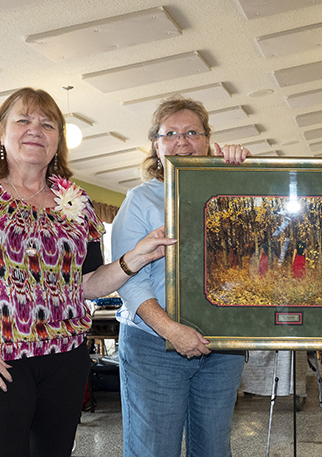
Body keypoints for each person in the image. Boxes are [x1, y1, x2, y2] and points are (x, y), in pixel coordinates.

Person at [0, 88, 173, 457]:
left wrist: (135, 258)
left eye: (47, 124)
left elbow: (87, 284)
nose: (35, 129)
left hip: (65, 361)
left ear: (58, 141)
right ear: (1, 132)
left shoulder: (78, 202)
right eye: (23, 120)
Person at [112, 97, 251, 457]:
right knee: (153, 448)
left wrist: (244, 174)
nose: (182, 141)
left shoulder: (232, 192)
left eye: (192, 132)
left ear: (207, 141)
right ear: (156, 147)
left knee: (213, 448)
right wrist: (171, 330)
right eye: (170, 133)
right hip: (153, 343)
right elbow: (128, 278)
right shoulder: (140, 200)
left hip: (222, 346)